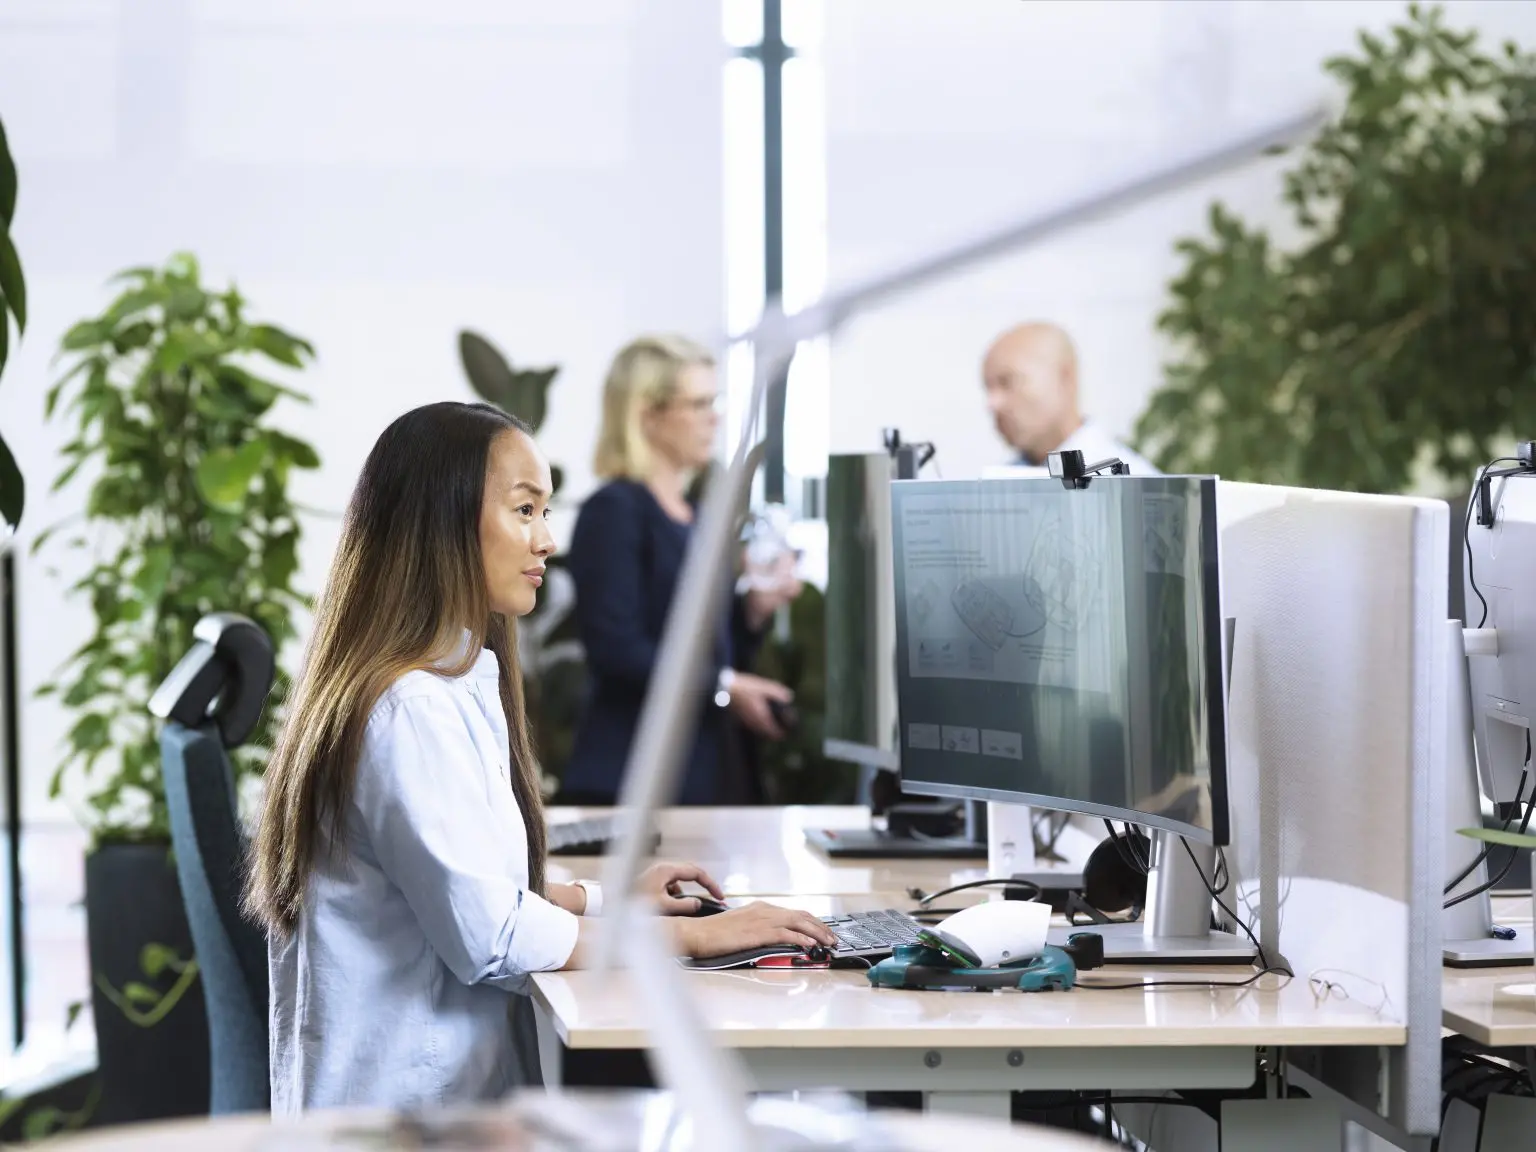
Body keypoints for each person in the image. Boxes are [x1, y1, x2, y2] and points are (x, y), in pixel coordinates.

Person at [245, 401, 835, 1113]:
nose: (547, 540)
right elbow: (490, 936)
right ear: (445, 523)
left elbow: (461, 882)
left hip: (439, 1104)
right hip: (404, 1118)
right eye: (524, 511)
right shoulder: (410, 709)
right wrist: (699, 936)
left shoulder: (450, 678)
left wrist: (609, 899)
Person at [561, 335, 800, 807]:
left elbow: (706, 644)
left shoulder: (694, 517)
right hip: (632, 780)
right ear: (647, 415)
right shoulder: (614, 511)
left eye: (714, 401)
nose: (714, 417)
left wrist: (750, 611)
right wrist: (725, 687)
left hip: (704, 773)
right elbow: (617, 649)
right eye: (698, 403)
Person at [981, 321, 1160, 475]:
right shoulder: (994, 490)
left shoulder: (1135, 487)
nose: (992, 404)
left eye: (1007, 382)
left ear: (1065, 376)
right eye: (988, 388)